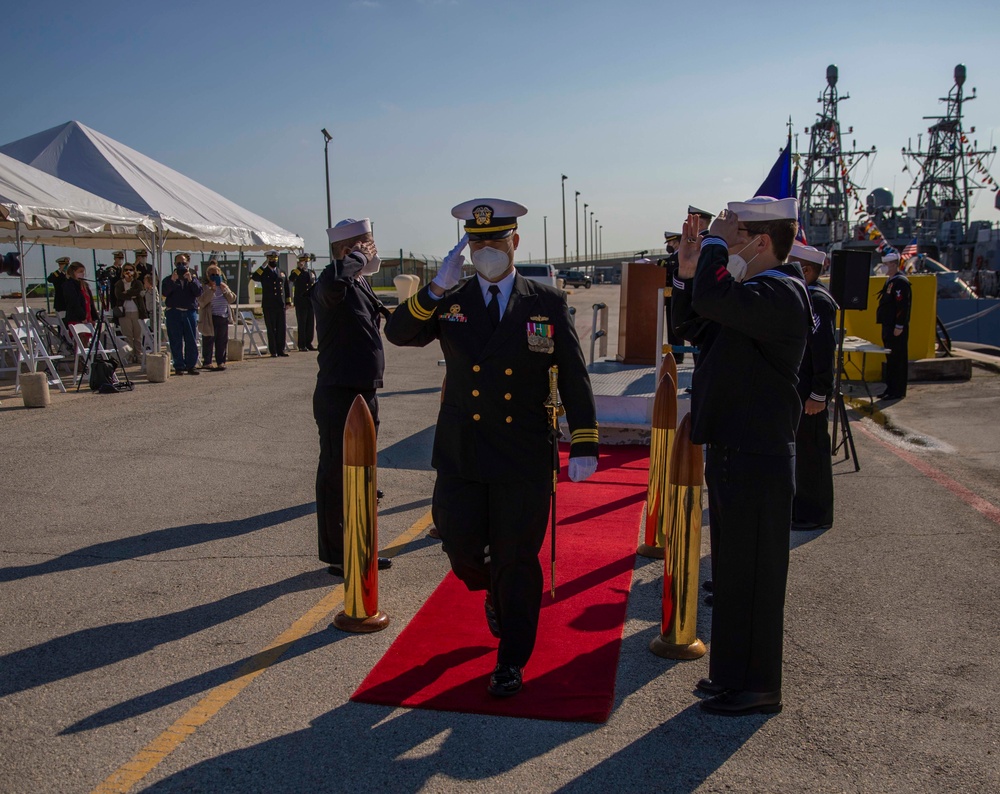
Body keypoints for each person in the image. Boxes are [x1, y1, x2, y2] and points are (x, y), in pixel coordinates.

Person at [384, 198, 599, 698]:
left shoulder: (545, 301)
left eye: (494, 242)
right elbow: (398, 333)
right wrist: (434, 287)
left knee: (518, 559)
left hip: (522, 453)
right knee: (461, 547)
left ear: (515, 244)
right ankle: (493, 595)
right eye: (476, 243)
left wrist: (584, 440)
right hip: (463, 451)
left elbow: (573, 373)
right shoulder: (452, 298)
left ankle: (511, 660)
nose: (485, 251)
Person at [674, 197, 811, 716]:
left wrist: (708, 244)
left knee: (754, 575)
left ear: (760, 240)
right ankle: (731, 676)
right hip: (736, 446)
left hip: (758, 452)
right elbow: (691, 324)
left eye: (732, 228)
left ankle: (757, 687)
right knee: (733, 574)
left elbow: (715, 301)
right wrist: (688, 274)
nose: (722, 231)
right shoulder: (748, 293)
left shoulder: (780, 291)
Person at [311, 218, 393, 579]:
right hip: (339, 393)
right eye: (366, 244)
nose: (373, 251)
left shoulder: (359, 283)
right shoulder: (331, 281)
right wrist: (355, 259)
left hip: (364, 390)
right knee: (337, 474)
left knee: (364, 473)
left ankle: (364, 545)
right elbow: (332, 284)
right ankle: (338, 553)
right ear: (347, 250)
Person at [788, 243, 837, 531]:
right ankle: (800, 508)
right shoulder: (805, 296)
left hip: (810, 394)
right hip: (800, 391)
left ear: (806, 270)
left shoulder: (817, 300)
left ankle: (815, 514)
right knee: (802, 453)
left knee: (812, 454)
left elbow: (823, 349)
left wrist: (819, 393)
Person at [875, 249, 911, 400]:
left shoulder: (900, 282)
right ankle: (890, 388)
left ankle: (897, 391)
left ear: (894, 265)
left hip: (896, 328)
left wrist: (899, 326)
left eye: (886, 264)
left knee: (898, 359)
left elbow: (902, 305)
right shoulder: (890, 281)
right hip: (888, 326)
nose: (883, 267)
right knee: (890, 359)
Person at [161, 254, 203, 376]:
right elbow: (164, 292)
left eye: (183, 263)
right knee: (176, 340)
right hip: (174, 312)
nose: (181, 266)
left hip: (189, 311)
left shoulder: (193, 278)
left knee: (191, 339)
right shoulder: (169, 279)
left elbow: (199, 292)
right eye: (179, 263)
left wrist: (191, 280)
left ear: (188, 264)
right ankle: (179, 365)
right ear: (174, 264)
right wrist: (173, 281)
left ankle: (191, 365)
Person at [251, 251, 291, 357]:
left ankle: (280, 349)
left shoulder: (281, 272)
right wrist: (263, 265)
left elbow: (286, 287)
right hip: (269, 305)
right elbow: (254, 277)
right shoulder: (264, 272)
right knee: (271, 328)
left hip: (280, 304)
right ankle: (273, 351)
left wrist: (288, 301)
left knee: (281, 328)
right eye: (271, 259)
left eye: (275, 259)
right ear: (268, 259)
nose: (273, 261)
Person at [198, 261, 236, 371]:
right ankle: (207, 362)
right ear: (208, 276)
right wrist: (212, 290)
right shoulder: (204, 288)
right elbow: (202, 301)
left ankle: (221, 362)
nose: (214, 277)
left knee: (221, 341)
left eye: (217, 275)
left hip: (222, 316)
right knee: (208, 339)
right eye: (212, 275)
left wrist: (224, 289)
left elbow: (232, 299)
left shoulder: (224, 287)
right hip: (210, 317)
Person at [113, 261, 147, 364]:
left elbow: (139, 292)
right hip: (124, 312)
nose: (128, 272)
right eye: (126, 270)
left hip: (137, 312)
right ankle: (130, 356)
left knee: (137, 336)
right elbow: (118, 295)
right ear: (123, 271)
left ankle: (139, 355)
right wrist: (131, 295)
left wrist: (127, 293)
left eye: (130, 270)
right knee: (128, 336)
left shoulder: (137, 283)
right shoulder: (119, 283)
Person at [290, 253, 316, 350]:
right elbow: (291, 279)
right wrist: (299, 268)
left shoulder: (311, 272)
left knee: (310, 324)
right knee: (302, 323)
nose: (305, 263)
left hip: (310, 301)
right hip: (301, 302)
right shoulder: (296, 272)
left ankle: (309, 343)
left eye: (307, 261)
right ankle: (302, 345)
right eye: (304, 261)